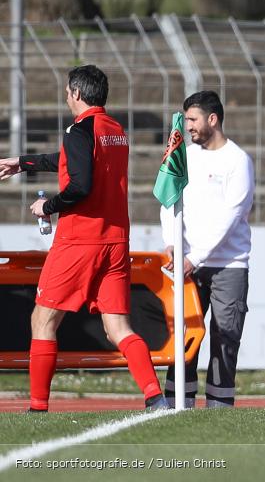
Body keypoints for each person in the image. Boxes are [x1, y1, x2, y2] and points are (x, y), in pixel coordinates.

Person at [0, 65, 167, 412]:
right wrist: (23, 162)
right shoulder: (114, 129)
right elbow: (71, 162)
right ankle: (154, 396)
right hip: (115, 241)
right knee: (118, 327)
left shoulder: (79, 130)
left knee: (42, 320)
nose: (66, 96)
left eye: (66, 91)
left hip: (80, 241)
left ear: (76, 93)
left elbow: (79, 185)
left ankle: (37, 407)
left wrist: (48, 205)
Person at [160, 90, 254, 408]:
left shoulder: (237, 161)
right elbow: (168, 199)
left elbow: (231, 217)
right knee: (183, 337)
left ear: (212, 119)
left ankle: (219, 412)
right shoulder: (184, 155)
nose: (188, 126)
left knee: (225, 339)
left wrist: (194, 257)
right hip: (187, 263)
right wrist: (171, 241)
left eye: (193, 119)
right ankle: (176, 406)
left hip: (229, 265)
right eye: (186, 119)